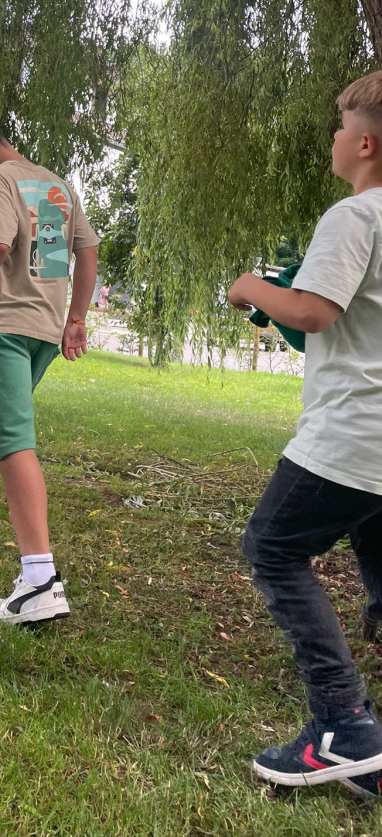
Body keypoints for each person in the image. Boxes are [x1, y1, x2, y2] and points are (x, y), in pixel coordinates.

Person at [229, 70, 382, 796]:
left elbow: (316, 311)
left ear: (365, 143)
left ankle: (344, 725)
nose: (333, 138)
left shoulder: (356, 216)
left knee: (273, 546)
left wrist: (252, 287)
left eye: (340, 126)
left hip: (354, 430)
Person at [0, 114, 100, 624]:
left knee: (13, 437)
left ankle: (40, 579)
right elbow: (87, 251)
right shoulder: (57, 185)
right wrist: (76, 317)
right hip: (44, 329)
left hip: (5, 324)